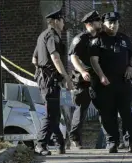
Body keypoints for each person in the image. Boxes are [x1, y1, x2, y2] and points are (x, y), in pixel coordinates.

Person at [89, 12, 132, 153]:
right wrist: (101, 76)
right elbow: (94, 60)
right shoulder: (98, 39)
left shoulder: (124, 39)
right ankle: (112, 142)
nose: (113, 25)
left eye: (115, 22)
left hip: (123, 82)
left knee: (127, 113)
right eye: (110, 22)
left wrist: (130, 66)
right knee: (107, 114)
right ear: (104, 24)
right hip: (105, 84)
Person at [32, 9, 73, 155]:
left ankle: (60, 143)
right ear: (56, 21)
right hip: (50, 80)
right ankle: (40, 145)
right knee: (51, 114)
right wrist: (67, 78)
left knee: (54, 114)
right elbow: (55, 58)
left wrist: (42, 73)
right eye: (62, 20)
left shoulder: (42, 35)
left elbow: (34, 59)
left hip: (46, 79)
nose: (63, 23)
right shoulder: (51, 35)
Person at [67, 10, 102, 149]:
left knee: (104, 108)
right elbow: (73, 57)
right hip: (84, 79)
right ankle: (74, 138)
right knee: (82, 109)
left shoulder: (100, 37)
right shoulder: (81, 38)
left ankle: (110, 139)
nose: (100, 23)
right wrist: (82, 71)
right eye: (97, 21)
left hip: (98, 78)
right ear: (89, 24)